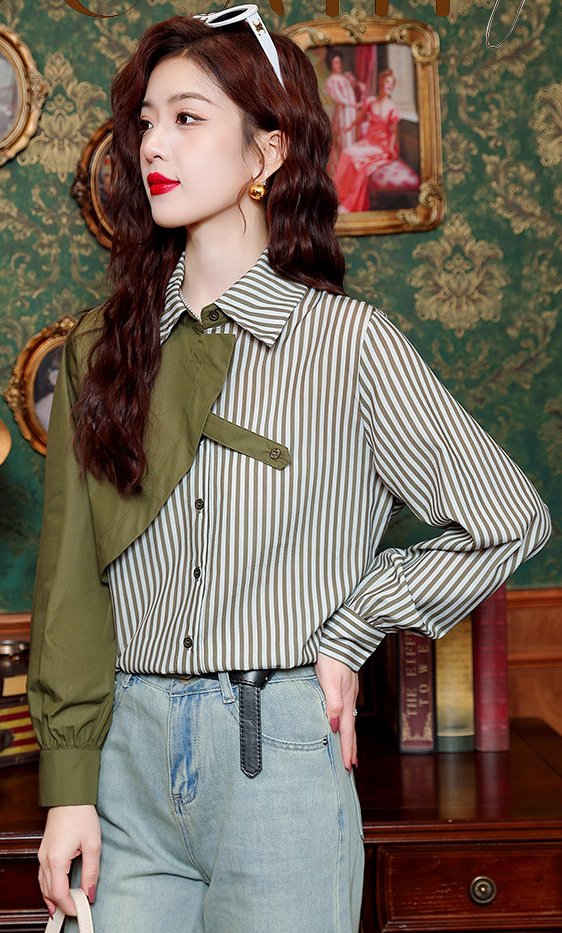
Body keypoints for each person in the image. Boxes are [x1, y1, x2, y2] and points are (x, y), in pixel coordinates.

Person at [27, 7, 551, 933]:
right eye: (146, 122)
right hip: (124, 763)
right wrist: (69, 787)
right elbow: (70, 582)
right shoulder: (101, 349)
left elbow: (509, 516)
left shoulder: (349, 344)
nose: (154, 144)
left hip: (278, 760)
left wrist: (354, 627)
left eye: (188, 119)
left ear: (265, 153)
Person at [335, 68, 419, 213]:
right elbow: (360, 117)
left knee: (357, 161)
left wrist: (391, 148)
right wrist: (348, 127)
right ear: (380, 82)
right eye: (386, 82)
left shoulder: (392, 108)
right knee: (346, 153)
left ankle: (351, 201)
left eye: (391, 83)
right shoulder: (371, 101)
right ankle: (340, 195)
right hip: (368, 142)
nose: (389, 86)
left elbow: (394, 132)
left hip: (382, 146)